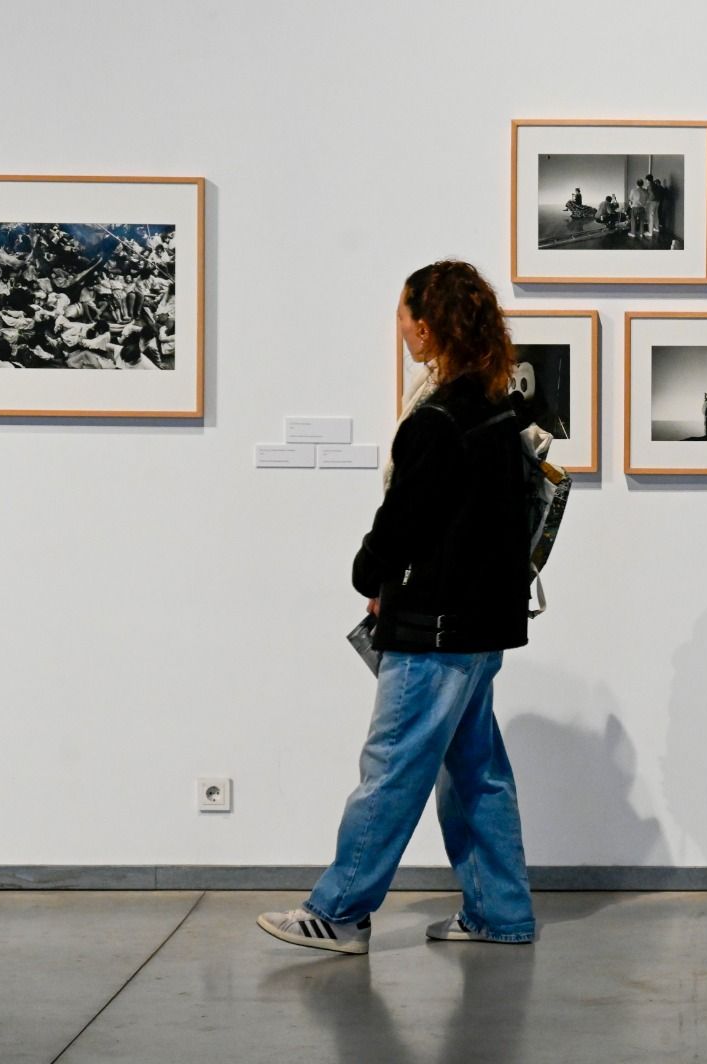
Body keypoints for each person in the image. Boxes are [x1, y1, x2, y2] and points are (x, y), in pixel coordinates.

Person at [258, 259, 537, 955]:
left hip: (435, 626)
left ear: (428, 323)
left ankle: (341, 911)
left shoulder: (437, 420)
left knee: (391, 767)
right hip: (482, 626)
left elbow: (402, 523)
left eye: (404, 313)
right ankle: (500, 913)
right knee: (478, 771)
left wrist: (367, 570)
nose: (401, 326)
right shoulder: (496, 406)